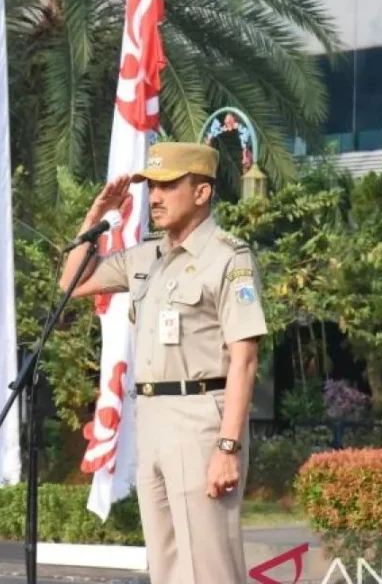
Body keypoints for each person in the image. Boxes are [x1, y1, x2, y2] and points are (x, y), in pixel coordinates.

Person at [60, 141, 266, 583]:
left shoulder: (229, 257)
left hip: (201, 420)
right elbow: (71, 283)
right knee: (167, 568)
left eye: (168, 185)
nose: (154, 196)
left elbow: (245, 360)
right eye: (151, 185)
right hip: (151, 418)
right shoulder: (145, 257)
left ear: (201, 192)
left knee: (210, 567)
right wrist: (96, 218)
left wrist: (228, 448)